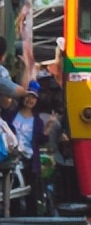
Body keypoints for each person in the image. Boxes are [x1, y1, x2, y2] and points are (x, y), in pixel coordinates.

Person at [2, 80, 48, 216]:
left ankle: (31, 218)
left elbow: (40, 140)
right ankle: (14, 216)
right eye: (28, 96)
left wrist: (47, 130)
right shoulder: (10, 115)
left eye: (34, 97)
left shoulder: (37, 120)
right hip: (12, 158)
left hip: (29, 160)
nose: (30, 100)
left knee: (31, 192)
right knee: (12, 190)